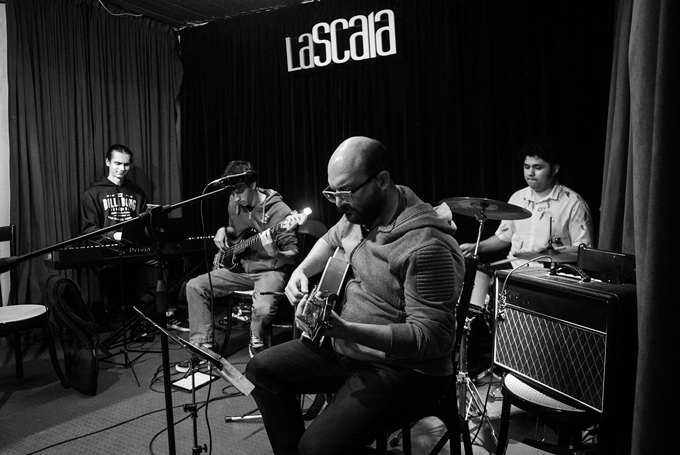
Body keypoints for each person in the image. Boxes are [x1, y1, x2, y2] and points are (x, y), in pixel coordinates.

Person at [245, 137, 465, 455]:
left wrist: (347, 330)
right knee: (261, 369)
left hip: (403, 369)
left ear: (382, 180)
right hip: (345, 349)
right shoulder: (360, 213)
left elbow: (432, 338)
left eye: (345, 192)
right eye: (332, 192)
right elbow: (329, 240)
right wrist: (301, 271)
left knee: (318, 449)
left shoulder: (426, 245)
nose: (338, 202)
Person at [176, 160, 298, 371]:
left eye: (240, 191)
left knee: (263, 308)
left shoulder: (282, 212)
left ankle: (256, 337)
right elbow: (236, 231)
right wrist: (224, 230)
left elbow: (292, 255)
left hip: (270, 270)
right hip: (240, 268)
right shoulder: (234, 202)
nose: (237, 197)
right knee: (195, 286)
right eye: (232, 193)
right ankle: (203, 349)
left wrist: (275, 252)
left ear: (253, 184)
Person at [460, 138, 594, 268]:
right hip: (514, 268)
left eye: (538, 167)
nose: (530, 173)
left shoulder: (573, 203)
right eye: (527, 167)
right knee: (478, 273)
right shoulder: (517, 197)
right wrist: (476, 247)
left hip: (549, 272)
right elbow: (504, 237)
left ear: (554, 170)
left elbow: (583, 249)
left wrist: (546, 254)